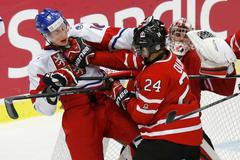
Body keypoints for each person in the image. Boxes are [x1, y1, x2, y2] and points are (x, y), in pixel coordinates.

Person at [29, 8, 144, 160]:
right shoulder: (40, 63)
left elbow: (117, 37)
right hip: (78, 114)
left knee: (144, 143)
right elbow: (43, 109)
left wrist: (139, 33)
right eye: (55, 32)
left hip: (107, 100)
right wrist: (53, 86)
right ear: (45, 35)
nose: (62, 34)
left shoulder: (82, 33)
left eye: (63, 27)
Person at [101, 17, 203, 160]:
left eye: (141, 47)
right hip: (191, 138)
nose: (138, 51)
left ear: (153, 47)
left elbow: (141, 115)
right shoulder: (170, 58)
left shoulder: (155, 73)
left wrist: (119, 93)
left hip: (168, 140)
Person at [167, 18, 237, 160]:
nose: (181, 38)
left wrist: (227, 67)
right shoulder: (158, 57)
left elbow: (221, 88)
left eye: (185, 34)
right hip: (160, 129)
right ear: (169, 35)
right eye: (177, 33)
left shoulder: (195, 58)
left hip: (190, 126)